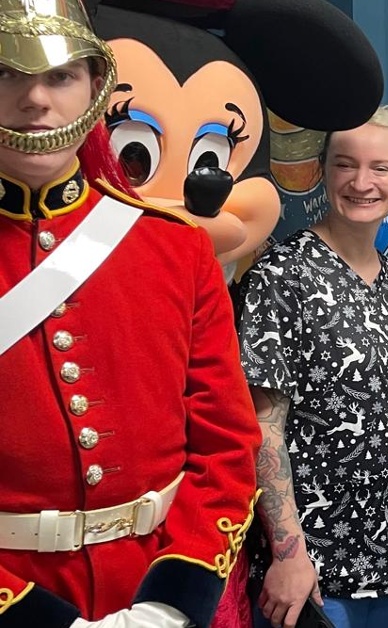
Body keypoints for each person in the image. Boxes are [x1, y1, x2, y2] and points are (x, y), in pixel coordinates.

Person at [0, 2, 259, 625]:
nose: (35, 99)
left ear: (95, 85)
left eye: (60, 76)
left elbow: (226, 446)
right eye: (6, 72)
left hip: (155, 583)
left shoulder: (174, 245)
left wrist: (170, 605)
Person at [237, 106, 388, 628]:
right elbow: (262, 427)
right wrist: (286, 553)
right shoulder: (282, 275)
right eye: (346, 164)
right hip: (320, 575)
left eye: (381, 168)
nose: (362, 182)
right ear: (324, 171)